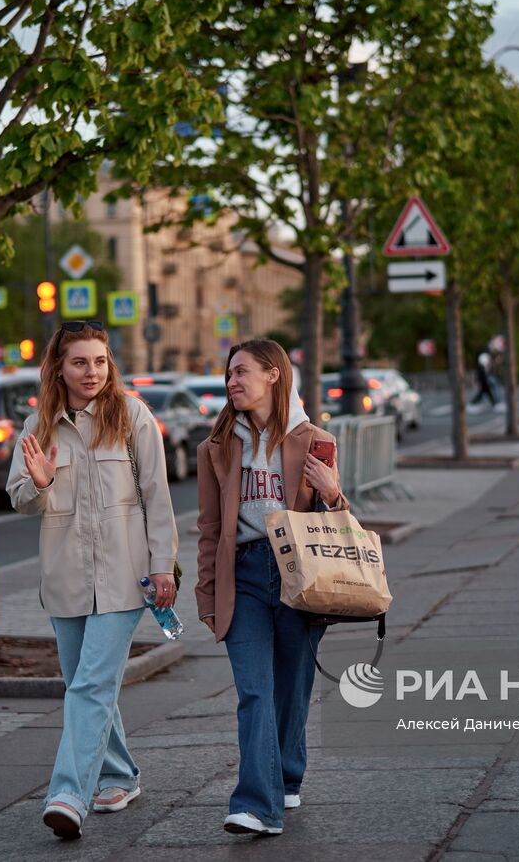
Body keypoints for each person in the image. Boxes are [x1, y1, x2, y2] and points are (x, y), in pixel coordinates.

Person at [8, 319, 179, 840]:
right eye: (80, 362)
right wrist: (40, 484)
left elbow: (158, 495)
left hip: (124, 577)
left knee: (90, 686)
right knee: (88, 685)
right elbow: (18, 497)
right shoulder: (39, 426)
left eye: (100, 361)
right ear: (58, 366)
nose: (92, 372)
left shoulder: (131, 415)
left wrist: (161, 565)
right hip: (65, 580)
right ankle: (121, 774)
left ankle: (67, 795)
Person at [196, 338, 347, 837]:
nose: (232, 382)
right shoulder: (216, 447)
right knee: (254, 690)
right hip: (243, 576)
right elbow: (210, 528)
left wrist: (332, 492)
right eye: (229, 375)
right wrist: (206, 594)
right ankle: (257, 805)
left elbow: (337, 524)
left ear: (274, 375)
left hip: (297, 574)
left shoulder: (314, 440)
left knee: (292, 687)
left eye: (242, 372)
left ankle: (286, 774)